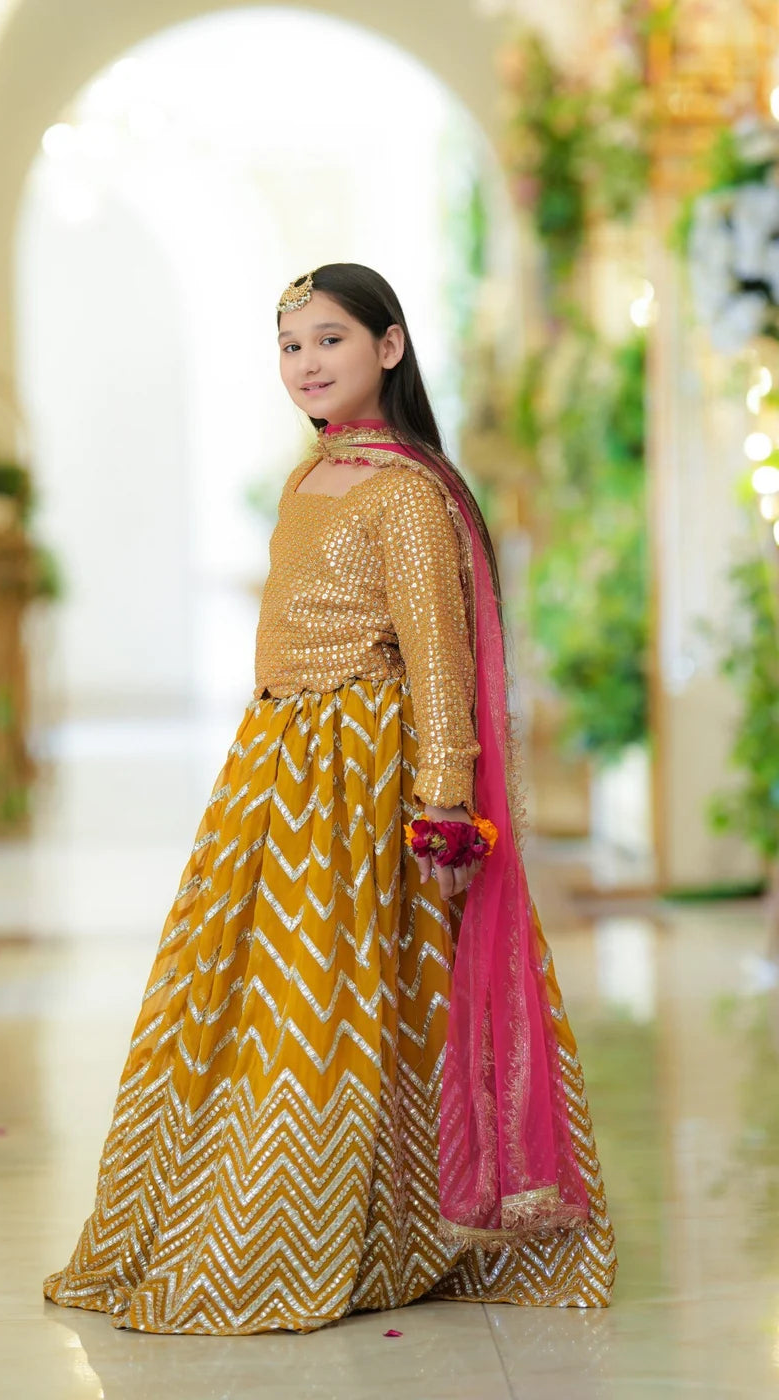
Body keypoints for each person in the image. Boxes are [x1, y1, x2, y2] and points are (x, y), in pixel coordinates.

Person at [43, 262, 617, 1334]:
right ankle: (254, 1208)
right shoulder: (310, 476)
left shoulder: (406, 492)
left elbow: (440, 661)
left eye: (330, 339)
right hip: (279, 767)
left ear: (388, 348)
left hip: (364, 775)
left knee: (353, 1001)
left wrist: (445, 802)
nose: (306, 363)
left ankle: (372, 1227)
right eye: (290, 344)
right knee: (243, 990)